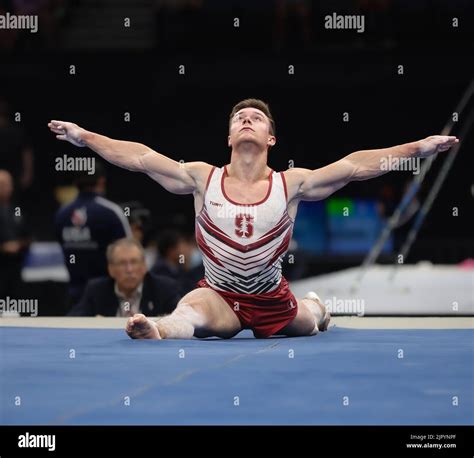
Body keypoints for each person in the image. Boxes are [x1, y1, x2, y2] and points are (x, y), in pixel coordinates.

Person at [48, 98, 458, 339]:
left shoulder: (292, 184)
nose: (247, 120)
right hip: (221, 294)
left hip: (273, 298)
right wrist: (85, 137)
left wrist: (417, 147)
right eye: (239, 118)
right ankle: (158, 329)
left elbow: (354, 166)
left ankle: (314, 306)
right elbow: (138, 157)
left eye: (257, 118)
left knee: (309, 322)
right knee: (190, 310)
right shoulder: (201, 178)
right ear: (229, 138)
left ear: (270, 139)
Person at [54, 162, 132, 308]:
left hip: (74, 295)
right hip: (107, 298)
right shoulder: (111, 212)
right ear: (101, 181)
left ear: (75, 183)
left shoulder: (61, 214)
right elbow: (128, 253)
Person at [69, 238, 181, 317]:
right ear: (111, 269)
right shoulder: (97, 290)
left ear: (144, 266)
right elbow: (73, 320)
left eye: (134, 262)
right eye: (122, 263)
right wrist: (93, 323)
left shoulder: (164, 288)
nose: (129, 270)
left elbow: (182, 319)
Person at [0, 169, 31, 300]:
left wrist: (19, 244)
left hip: (16, 271)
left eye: (8, 184)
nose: (6, 188)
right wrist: (2, 247)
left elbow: (28, 237)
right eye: (2, 185)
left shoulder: (16, 210)